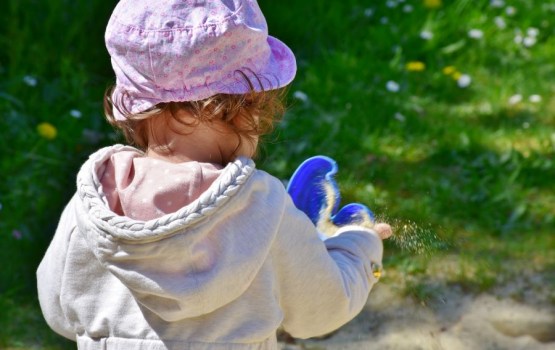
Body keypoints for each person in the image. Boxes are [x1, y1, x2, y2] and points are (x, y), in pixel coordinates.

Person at [37, 0, 392, 349]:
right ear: (249, 107)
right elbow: (322, 309)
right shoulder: (263, 210)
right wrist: (359, 246)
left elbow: (58, 310)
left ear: (131, 105)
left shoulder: (94, 203)